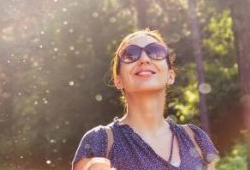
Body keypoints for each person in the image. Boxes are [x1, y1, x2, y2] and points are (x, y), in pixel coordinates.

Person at [72, 30, 219, 170]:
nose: (144, 59)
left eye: (156, 52)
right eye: (130, 54)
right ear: (118, 80)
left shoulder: (196, 139)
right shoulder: (99, 142)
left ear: (171, 75)